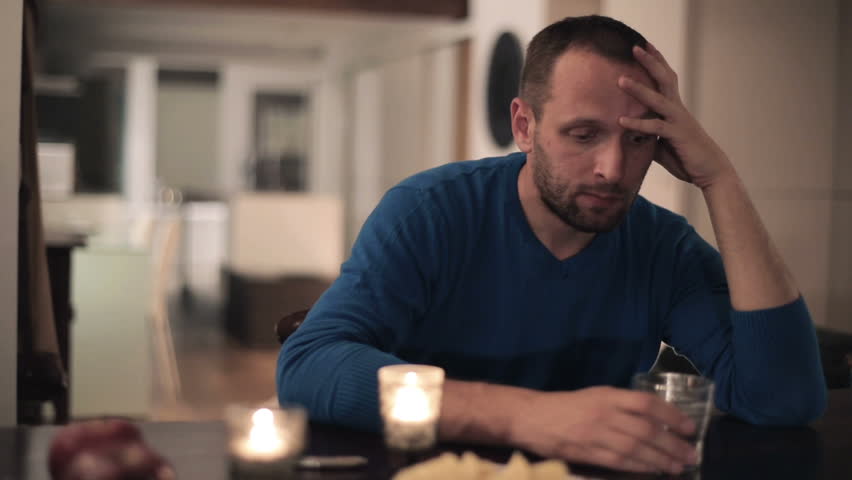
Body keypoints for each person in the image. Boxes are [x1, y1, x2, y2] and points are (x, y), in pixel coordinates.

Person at [277, 15, 826, 475]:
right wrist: (527, 415)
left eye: (637, 139)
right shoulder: (430, 212)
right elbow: (307, 365)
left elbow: (780, 399)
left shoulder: (662, 246)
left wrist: (720, 180)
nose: (613, 170)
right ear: (524, 125)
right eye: (583, 134)